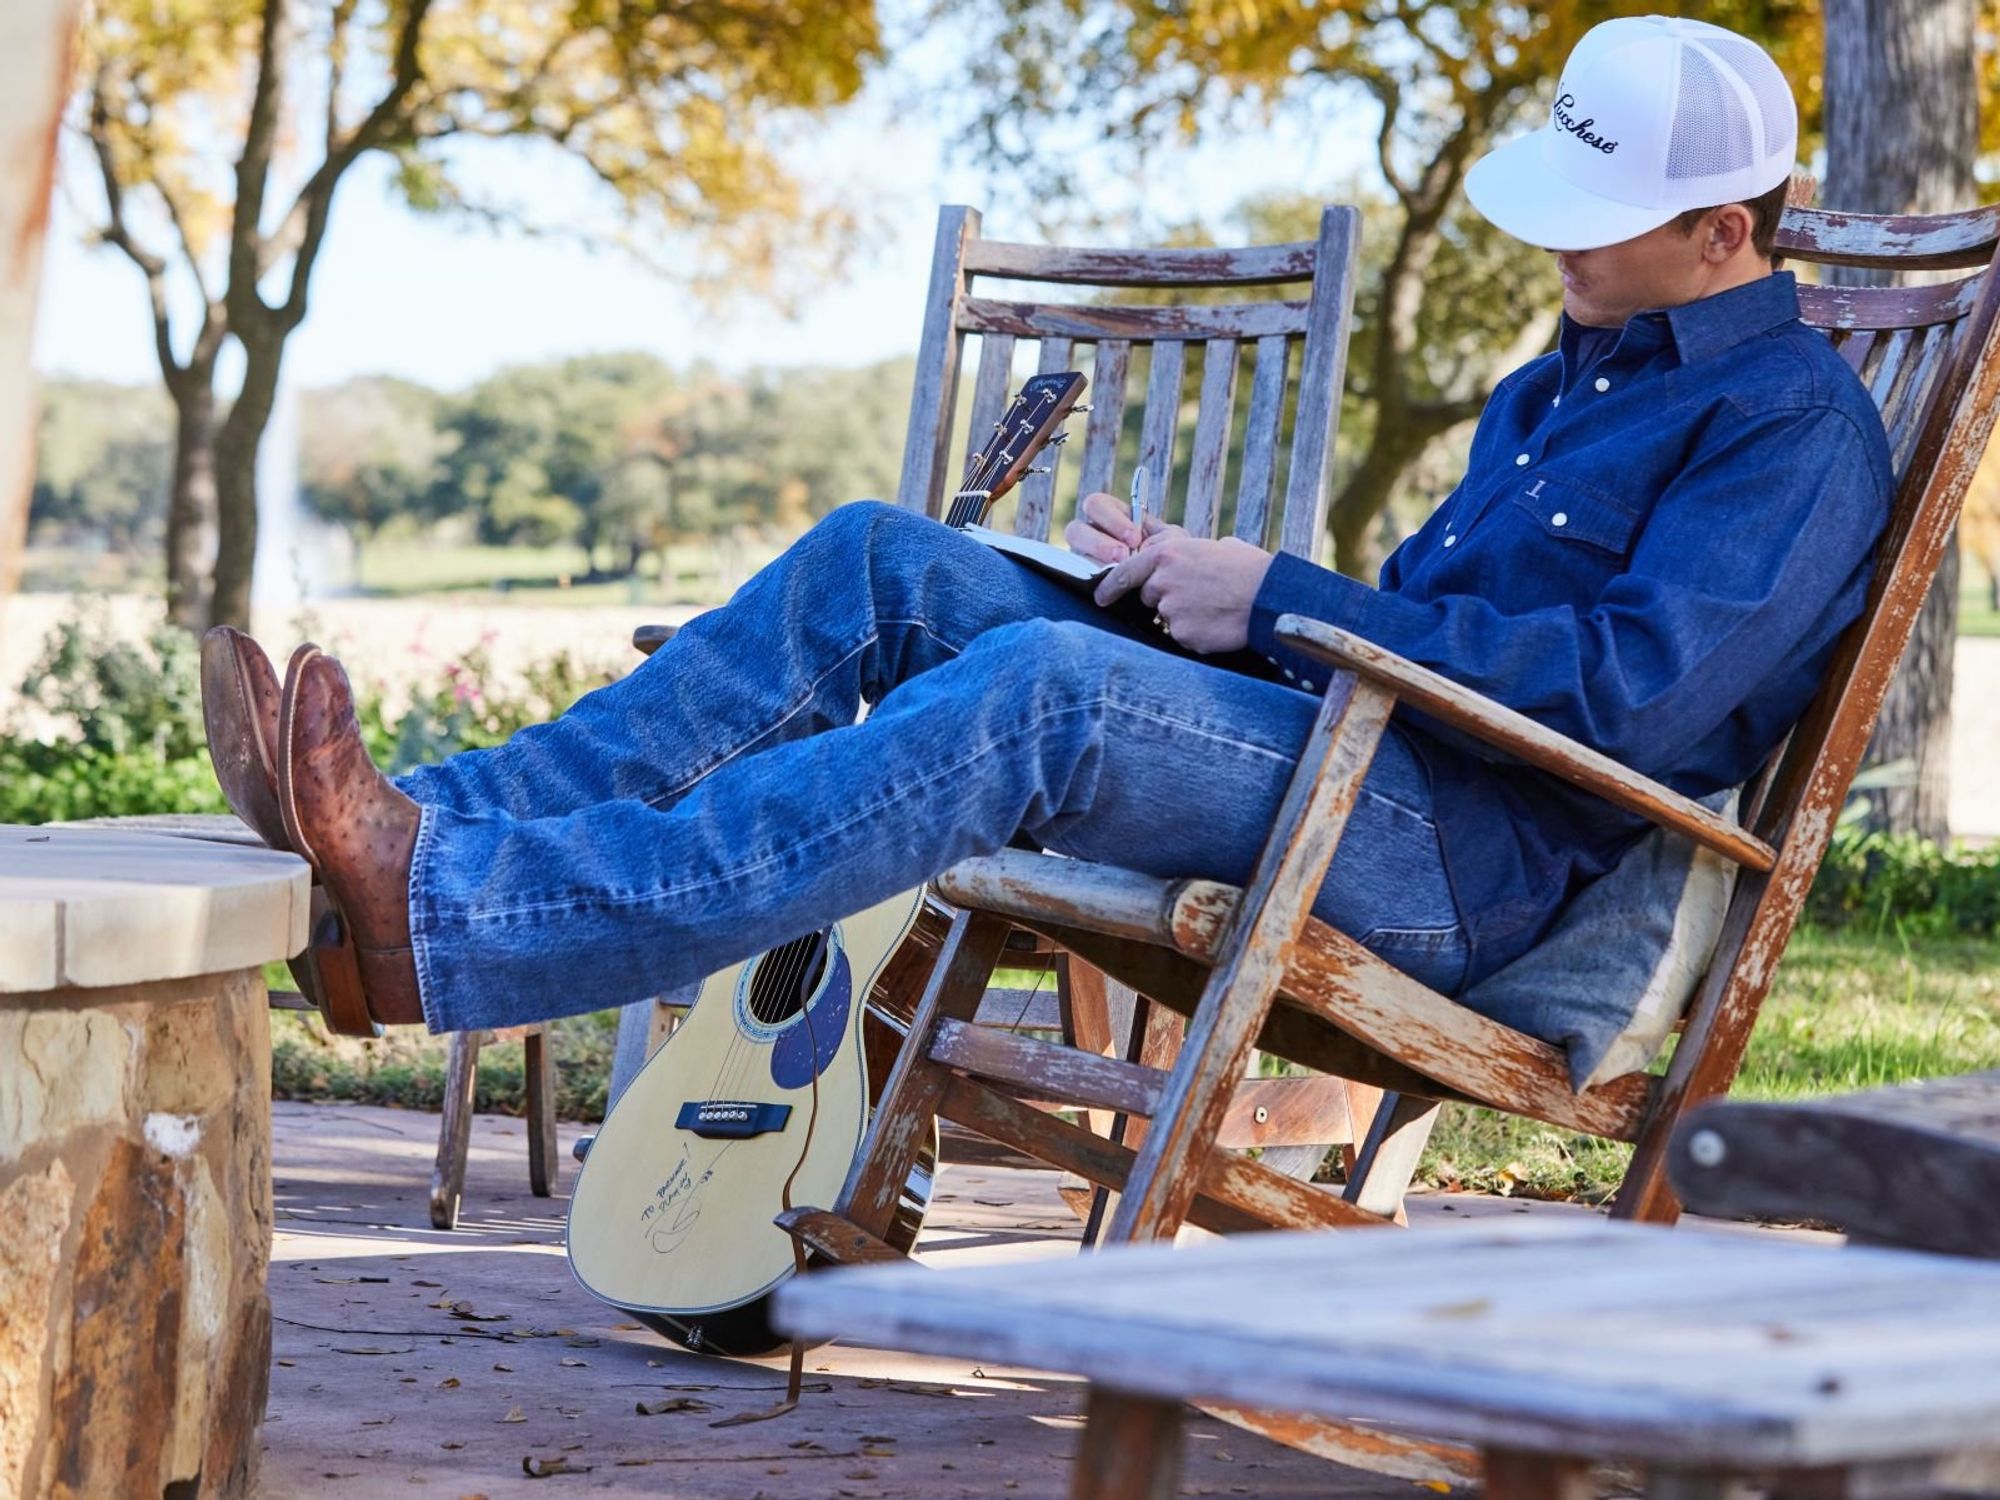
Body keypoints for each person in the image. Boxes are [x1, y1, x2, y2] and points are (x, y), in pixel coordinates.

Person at [202, 15, 1890, 1037]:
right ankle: (427, 828)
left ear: (1726, 229)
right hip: (1345, 749)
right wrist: (1183, 589)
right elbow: (1449, 621)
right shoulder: (1569, 374)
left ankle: (450, 927)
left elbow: (1630, 702)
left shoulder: (1791, 430)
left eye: (1597, 226)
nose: (1558, 254)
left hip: (1462, 861)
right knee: (886, 556)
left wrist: (1283, 598)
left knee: (1042, 697)